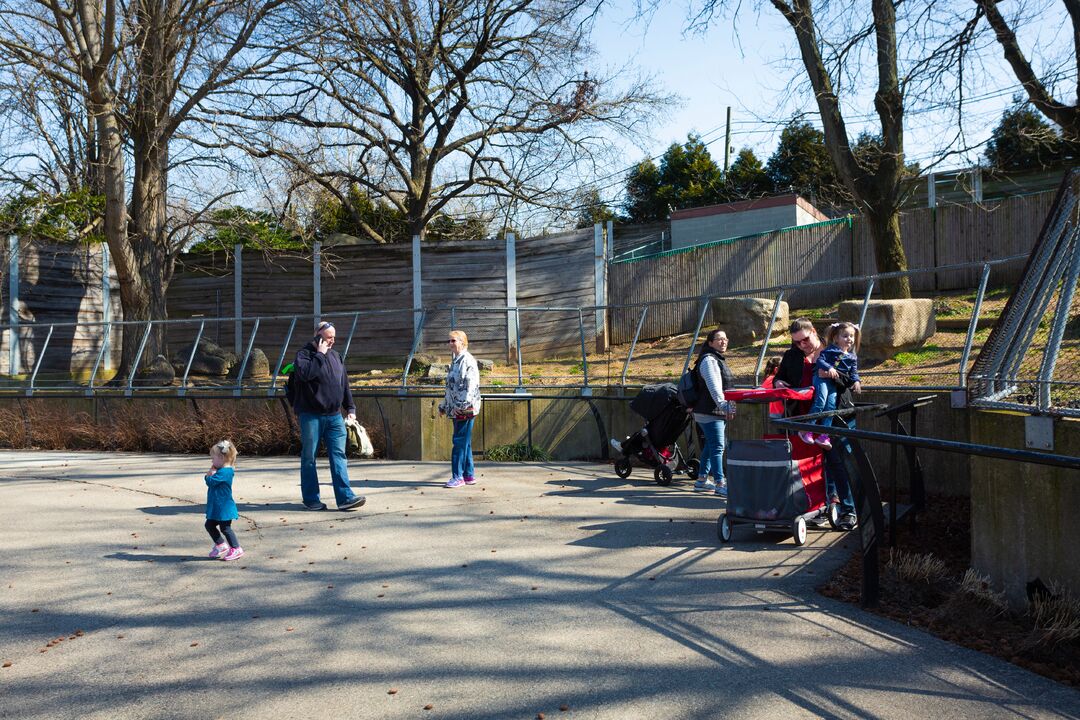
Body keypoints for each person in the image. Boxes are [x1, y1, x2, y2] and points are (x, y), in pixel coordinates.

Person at [774, 318, 858, 531]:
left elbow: (851, 379)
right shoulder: (792, 355)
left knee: (839, 464)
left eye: (804, 339)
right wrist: (777, 382)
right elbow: (781, 376)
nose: (801, 345)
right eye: (796, 342)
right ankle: (824, 507)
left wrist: (831, 375)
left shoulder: (835, 348)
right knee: (814, 466)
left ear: (813, 331)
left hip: (836, 416)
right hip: (805, 422)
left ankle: (849, 511)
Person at [290, 321, 367, 511]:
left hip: (334, 416)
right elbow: (305, 375)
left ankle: (345, 498)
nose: (332, 340)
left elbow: (344, 383)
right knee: (309, 458)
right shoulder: (304, 355)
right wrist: (320, 355)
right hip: (311, 416)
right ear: (318, 336)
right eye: (328, 337)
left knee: (339, 456)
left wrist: (350, 408)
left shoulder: (336, 356)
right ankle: (311, 499)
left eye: (333, 337)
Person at [799, 322, 861, 450]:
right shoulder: (831, 350)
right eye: (845, 336)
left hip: (833, 382)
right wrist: (830, 367)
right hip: (821, 379)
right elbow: (820, 360)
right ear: (836, 338)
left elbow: (853, 373)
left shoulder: (852, 357)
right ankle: (806, 429)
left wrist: (856, 381)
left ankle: (824, 435)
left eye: (851, 336)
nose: (849, 339)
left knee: (831, 406)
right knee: (820, 401)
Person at [691, 328, 735, 497]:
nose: (723, 341)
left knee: (711, 445)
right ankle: (720, 483)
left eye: (725, 338)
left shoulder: (716, 358)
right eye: (719, 339)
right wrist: (724, 406)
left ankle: (701, 480)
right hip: (709, 412)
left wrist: (727, 407)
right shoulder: (709, 360)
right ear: (710, 343)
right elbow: (714, 387)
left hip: (713, 410)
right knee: (718, 446)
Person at [438, 330, 482, 488]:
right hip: (456, 408)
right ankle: (468, 475)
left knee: (459, 442)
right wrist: (444, 406)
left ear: (463, 342)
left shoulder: (468, 361)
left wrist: (460, 407)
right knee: (465, 443)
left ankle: (457, 477)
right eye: (449, 341)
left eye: (453, 341)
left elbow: (471, 387)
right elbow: (451, 387)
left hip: (464, 409)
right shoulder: (456, 360)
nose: (450, 344)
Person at [205, 440, 243, 561]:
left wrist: (208, 475)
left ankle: (236, 548)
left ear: (221, 458)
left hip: (224, 507)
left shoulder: (225, 472)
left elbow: (210, 482)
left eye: (213, 458)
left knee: (225, 528)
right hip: (218, 506)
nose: (212, 461)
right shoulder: (222, 471)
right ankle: (221, 545)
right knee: (209, 525)